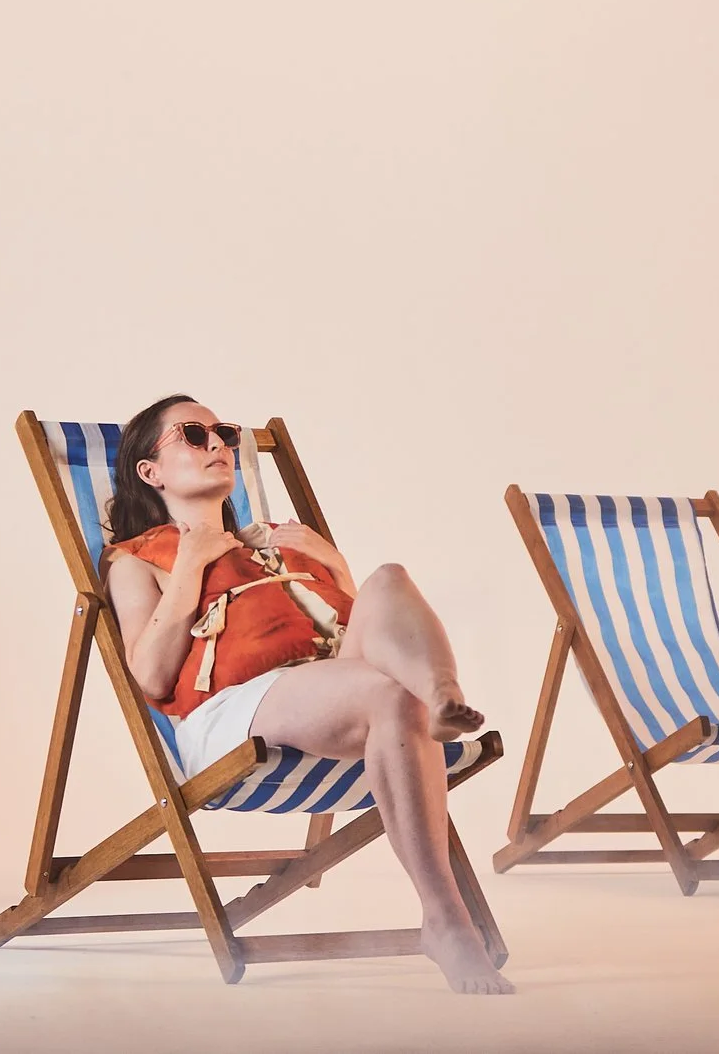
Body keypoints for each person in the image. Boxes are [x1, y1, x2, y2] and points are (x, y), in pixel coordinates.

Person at [102, 395, 508, 994]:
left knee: (389, 579)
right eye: (193, 434)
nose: (218, 444)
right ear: (150, 471)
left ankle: (441, 692)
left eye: (224, 433)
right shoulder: (137, 560)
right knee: (393, 699)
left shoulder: (279, 542)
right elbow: (150, 678)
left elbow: (360, 627)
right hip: (237, 708)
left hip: (330, 681)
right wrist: (189, 568)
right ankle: (446, 920)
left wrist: (334, 566)